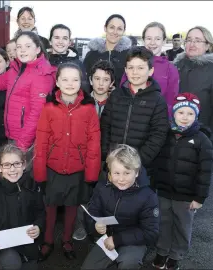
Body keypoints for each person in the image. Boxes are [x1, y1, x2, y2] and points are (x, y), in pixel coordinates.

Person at [34, 63, 101, 260]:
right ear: (57, 82)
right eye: (65, 79)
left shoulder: (89, 109)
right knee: (50, 208)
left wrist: (90, 174)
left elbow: (94, 143)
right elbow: (41, 141)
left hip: (76, 170)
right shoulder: (48, 109)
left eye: (75, 79)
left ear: (81, 82)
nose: (70, 83)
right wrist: (40, 173)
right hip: (52, 169)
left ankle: (67, 241)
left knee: (72, 208)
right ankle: (47, 241)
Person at [152, 93, 213, 270]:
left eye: (190, 114)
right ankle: (162, 251)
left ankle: (176, 255)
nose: (185, 118)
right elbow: (157, 162)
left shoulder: (202, 141)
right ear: (174, 114)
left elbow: (205, 171)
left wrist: (200, 197)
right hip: (163, 192)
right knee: (163, 223)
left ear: (196, 117)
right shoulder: (165, 135)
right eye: (181, 113)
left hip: (186, 197)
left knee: (182, 227)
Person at [0, 31, 56, 152]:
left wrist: (23, 144)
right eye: (19, 47)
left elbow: (37, 113)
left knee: (21, 170)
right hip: (12, 135)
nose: (22, 50)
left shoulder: (42, 74)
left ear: (37, 49)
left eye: (28, 46)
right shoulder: (16, 68)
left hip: (26, 139)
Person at [81, 144, 159, 270]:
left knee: (128, 264)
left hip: (134, 241)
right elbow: (92, 213)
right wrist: (95, 226)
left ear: (137, 172)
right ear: (110, 172)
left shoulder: (148, 196)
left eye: (127, 173)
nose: (121, 179)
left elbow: (151, 232)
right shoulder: (102, 188)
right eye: (116, 173)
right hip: (107, 238)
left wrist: (117, 239)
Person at [0, 144, 45, 270]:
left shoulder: (32, 186)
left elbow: (40, 211)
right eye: (6, 165)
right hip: (2, 244)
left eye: (16, 164)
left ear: (24, 165)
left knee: (33, 266)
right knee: (12, 263)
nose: (12, 169)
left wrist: (38, 227)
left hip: (26, 241)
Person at [100, 46, 168, 174]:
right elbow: (105, 126)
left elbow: (158, 135)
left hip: (140, 168)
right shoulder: (116, 96)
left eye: (140, 68)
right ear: (125, 70)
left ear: (151, 71)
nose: (135, 72)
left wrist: (137, 163)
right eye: (131, 68)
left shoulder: (157, 101)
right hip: (113, 164)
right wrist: (107, 156)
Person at [72, 60, 115, 242]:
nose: (101, 83)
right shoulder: (80, 101)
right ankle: (80, 224)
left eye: (106, 79)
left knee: (105, 193)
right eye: (97, 78)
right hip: (82, 155)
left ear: (112, 83)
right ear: (90, 79)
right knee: (81, 192)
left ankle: (104, 227)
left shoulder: (116, 103)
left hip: (106, 156)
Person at [174, 26, 213, 149]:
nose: (192, 44)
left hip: (200, 137)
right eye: (189, 39)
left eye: (198, 40)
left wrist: (212, 140)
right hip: (173, 135)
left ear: (208, 46)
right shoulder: (176, 66)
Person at [121, 22, 179, 113]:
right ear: (143, 40)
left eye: (157, 39)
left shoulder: (170, 69)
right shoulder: (132, 63)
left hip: (157, 120)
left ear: (164, 41)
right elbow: (122, 92)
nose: (152, 42)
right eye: (149, 38)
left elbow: (171, 102)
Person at [83, 14, 132, 88]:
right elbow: (84, 81)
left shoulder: (129, 56)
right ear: (105, 28)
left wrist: (117, 93)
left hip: (121, 98)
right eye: (112, 27)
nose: (115, 32)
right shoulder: (92, 55)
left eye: (119, 29)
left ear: (123, 31)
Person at [48, 24, 90, 93]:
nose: (60, 42)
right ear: (50, 41)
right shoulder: (42, 62)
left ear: (69, 42)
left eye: (64, 38)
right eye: (57, 37)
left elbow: (84, 88)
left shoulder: (77, 64)